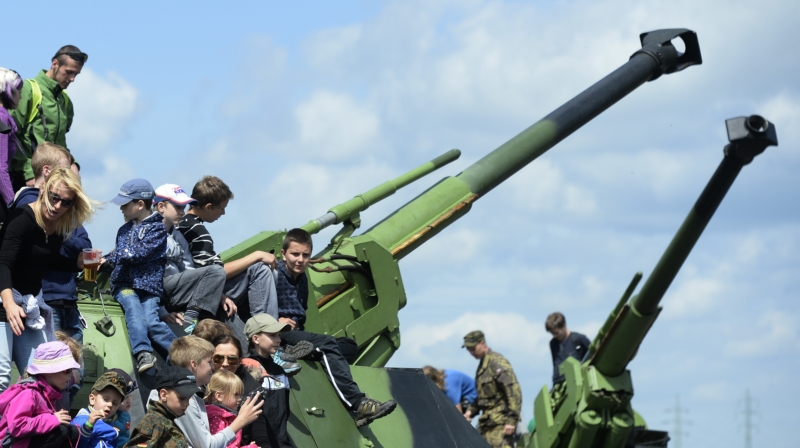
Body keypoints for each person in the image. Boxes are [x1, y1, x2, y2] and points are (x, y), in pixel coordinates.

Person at [272, 229, 397, 427]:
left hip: (297, 334)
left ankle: (302, 351)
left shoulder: (302, 280)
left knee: (349, 346)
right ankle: (358, 404)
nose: (300, 260)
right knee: (328, 344)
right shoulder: (273, 274)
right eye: (295, 254)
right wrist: (276, 321)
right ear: (283, 253)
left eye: (305, 255)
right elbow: (254, 309)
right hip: (278, 335)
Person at [0, 167, 94, 391]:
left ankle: (26, 424)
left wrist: (76, 264)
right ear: (43, 189)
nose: (58, 206)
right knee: (2, 377)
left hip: (29, 305)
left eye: (66, 202)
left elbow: (42, 259)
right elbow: (3, 263)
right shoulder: (21, 218)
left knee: (41, 375)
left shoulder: (57, 227)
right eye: (55, 197)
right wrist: (9, 303)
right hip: (4, 300)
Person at [12, 143, 90, 342]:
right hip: (40, 298)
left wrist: (72, 256)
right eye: (64, 171)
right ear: (47, 172)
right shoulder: (27, 207)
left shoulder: (63, 210)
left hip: (63, 299)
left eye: (67, 202)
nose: (59, 206)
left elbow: (83, 244)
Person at [176, 176, 278, 326]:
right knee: (259, 270)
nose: (223, 213)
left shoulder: (184, 224)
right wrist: (256, 255)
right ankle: (266, 329)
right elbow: (213, 274)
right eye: (222, 208)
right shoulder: (197, 231)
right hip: (203, 293)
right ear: (208, 207)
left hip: (195, 289)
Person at [103, 178, 174, 372]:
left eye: (125, 204)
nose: (121, 209)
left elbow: (137, 253)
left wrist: (113, 257)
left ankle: (179, 353)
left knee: (151, 321)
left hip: (148, 288)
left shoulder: (158, 229)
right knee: (133, 310)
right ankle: (143, 352)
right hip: (124, 284)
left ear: (140, 204)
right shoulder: (123, 230)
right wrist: (104, 261)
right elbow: (120, 254)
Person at [146, 336, 263, 448]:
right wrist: (241, 420)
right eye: (209, 362)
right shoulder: (182, 400)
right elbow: (207, 445)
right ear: (194, 365)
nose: (213, 367)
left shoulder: (193, 397)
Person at [154, 184, 228, 334]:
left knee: (215, 281)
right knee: (217, 272)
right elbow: (147, 277)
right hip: (160, 290)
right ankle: (191, 317)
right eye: (178, 207)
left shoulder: (178, 237)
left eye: (183, 207)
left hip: (176, 289)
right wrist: (162, 311)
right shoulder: (147, 233)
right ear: (161, 206)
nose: (182, 212)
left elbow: (189, 269)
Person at [9, 45, 85, 191]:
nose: (72, 79)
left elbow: (59, 144)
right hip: (23, 179)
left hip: (51, 182)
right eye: (69, 72)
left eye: (76, 74)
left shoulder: (66, 101)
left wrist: (73, 163)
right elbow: (11, 135)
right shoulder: (28, 90)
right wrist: (28, 171)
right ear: (55, 64)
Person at [0, 341, 82, 448]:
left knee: (72, 431)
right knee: (60, 431)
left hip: (29, 440)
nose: (71, 375)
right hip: (14, 444)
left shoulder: (48, 394)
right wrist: (53, 419)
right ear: (49, 371)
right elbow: (17, 426)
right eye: (68, 370)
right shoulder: (28, 393)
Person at [240, 314, 294, 448]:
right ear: (256, 338)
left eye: (279, 335)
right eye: (273, 335)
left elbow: (285, 411)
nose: (278, 340)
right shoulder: (246, 370)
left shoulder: (280, 371)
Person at [462, 330, 522, 448]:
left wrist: (512, 420)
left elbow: (513, 390)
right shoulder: (482, 366)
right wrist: (470, 412)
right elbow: (482, 397)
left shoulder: (497, 362)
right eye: (469, 350)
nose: (471, 353)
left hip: (501, 425)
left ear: (482, 343)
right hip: (487, 425)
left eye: (473, 349)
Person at [127, 365, 199, 448]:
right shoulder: (154, 422)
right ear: (164, 395)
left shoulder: (166, 420)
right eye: (182, 398)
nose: (187, 403)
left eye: (189, 398)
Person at [72, 370, 128, 448]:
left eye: (115, 403)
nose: (110, 404)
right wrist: (88, 426)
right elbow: (76, 442)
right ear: (92, 399)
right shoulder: (82, 421)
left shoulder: (110, 424)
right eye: (105, 399)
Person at [545, 312, 590, 385]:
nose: (554, 336)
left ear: (564, 326)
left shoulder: (579, 339)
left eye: (556, 333)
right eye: (552, 334)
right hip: (559, 385)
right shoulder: (553, 343)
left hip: (577, 381)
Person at [204, 370, 245, 448]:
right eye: (236, 394)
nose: (240, 399)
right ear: (219, 396)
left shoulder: (228, 415)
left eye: (240, 395)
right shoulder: (216, 417)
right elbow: (220, 445)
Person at [0, 68, 23, 206]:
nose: (20, 97)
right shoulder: (2, 117)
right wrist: (12, 203)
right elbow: (0, 166)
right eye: (18, 92)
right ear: (8, 91)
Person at [106, 368, 138, 448]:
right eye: (126, 397)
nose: (129, 401)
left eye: (131, 396)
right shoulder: (106, 416)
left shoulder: (126, 416)